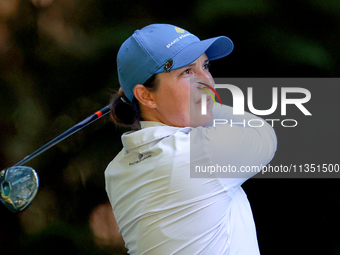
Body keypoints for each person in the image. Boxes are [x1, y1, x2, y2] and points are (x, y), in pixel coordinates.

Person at [105, 24, 277, 255]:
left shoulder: (117, 170)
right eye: (187, 72)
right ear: (146, 95)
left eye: (205, 66)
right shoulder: (199, 152)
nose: (207, 81)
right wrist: (206, 102)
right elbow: (263, 134)